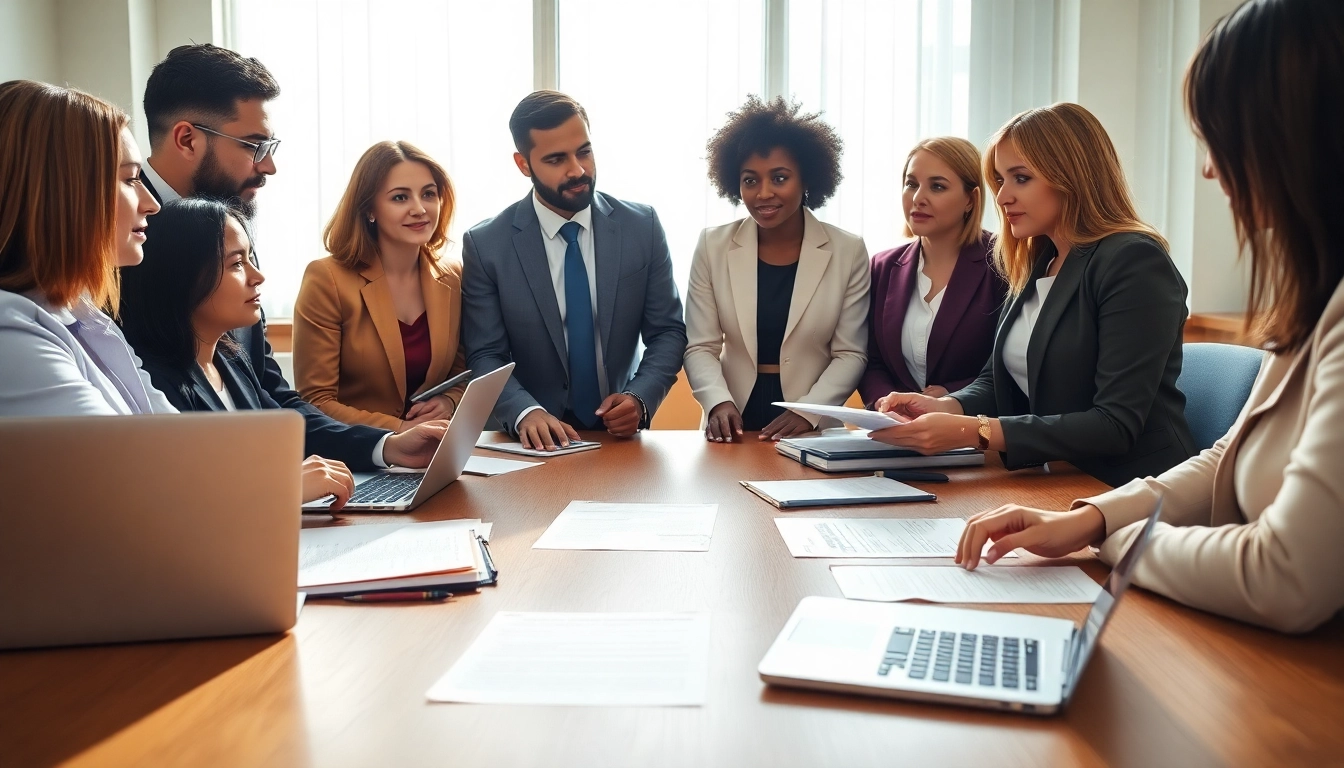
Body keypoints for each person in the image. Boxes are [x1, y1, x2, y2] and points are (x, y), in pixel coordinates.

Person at [957, 0, 1344, 634]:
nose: (1210, 167)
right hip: (1120, 512)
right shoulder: (1311, 301)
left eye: (1224, 138)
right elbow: (1226, 455)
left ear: (1302, 135)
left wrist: (1113, 540)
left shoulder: (1130, 260)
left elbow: (1284, 574)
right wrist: (1088, 519)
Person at [140, 43, 445, 472]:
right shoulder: (121, 243)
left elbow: (268, 394)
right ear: (187, 139)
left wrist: (384, 445)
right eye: (253, 146)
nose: (268, 168)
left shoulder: (231, 223)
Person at [871, 103, 1194, 487]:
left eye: (1020, 178)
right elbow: (996, 381)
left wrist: (972, 431)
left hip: (1133, 486)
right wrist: (946, 406)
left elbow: (1114, 424)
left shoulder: (1133, 260)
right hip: (1059, 477)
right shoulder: (1040, 260)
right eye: (1000, 180)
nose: (1003, 196)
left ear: (1071, 176)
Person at [461, 90, 687, 450]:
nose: (578, 170)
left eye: (584, 151)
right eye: (556, 159)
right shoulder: (486, 245)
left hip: (618, 438)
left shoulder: (641, 227)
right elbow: (485, 353)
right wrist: (524, 412)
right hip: (528, 444)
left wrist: (639, 398)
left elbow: (667, 332)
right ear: (523, 165)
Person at [118, 199, 373, 507]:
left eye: (250, 259)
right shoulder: (152, 382)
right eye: (237, 263)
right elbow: (191, 496)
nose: (258, 276)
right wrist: (283, 486)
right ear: (182, 276)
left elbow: (289, 429)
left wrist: (387, 446)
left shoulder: (232, 361)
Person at [684, 96, 869, 442]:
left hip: (811, 422)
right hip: (731, 419)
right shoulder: (713, 246)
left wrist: (809, 410)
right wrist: (717, 402)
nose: (763, 193)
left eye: (779, 178)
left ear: (806, 180)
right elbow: (700, 346)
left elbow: (851, 353)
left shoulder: (848, 251)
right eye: (750, 180)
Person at [0, 80, 171, 416]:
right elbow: (122, 462)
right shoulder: (10, 333)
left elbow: (178, 439)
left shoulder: (83, 314)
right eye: (130, 179)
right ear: (62, 192)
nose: (152, 204)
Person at [292, 141, 469, 431]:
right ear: (369, 210)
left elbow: (461, 374)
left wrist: (449, 400)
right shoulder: (327, 279)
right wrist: (400, 431)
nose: (419, 209)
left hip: (435, 451)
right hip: (358, 457)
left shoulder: (454, 275)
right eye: (400, 198)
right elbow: (316, 400)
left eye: (429, 194)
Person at [860, 137, 1006, 407]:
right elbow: (873, 361)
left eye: (937, 186)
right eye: (911, 184)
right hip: (897, 430)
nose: (918, 198)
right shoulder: (882, 266)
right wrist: (887, 404)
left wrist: (953, 396)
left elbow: (1011, 365)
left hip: (974, 430)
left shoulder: (1004, 262)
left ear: (970, 200)